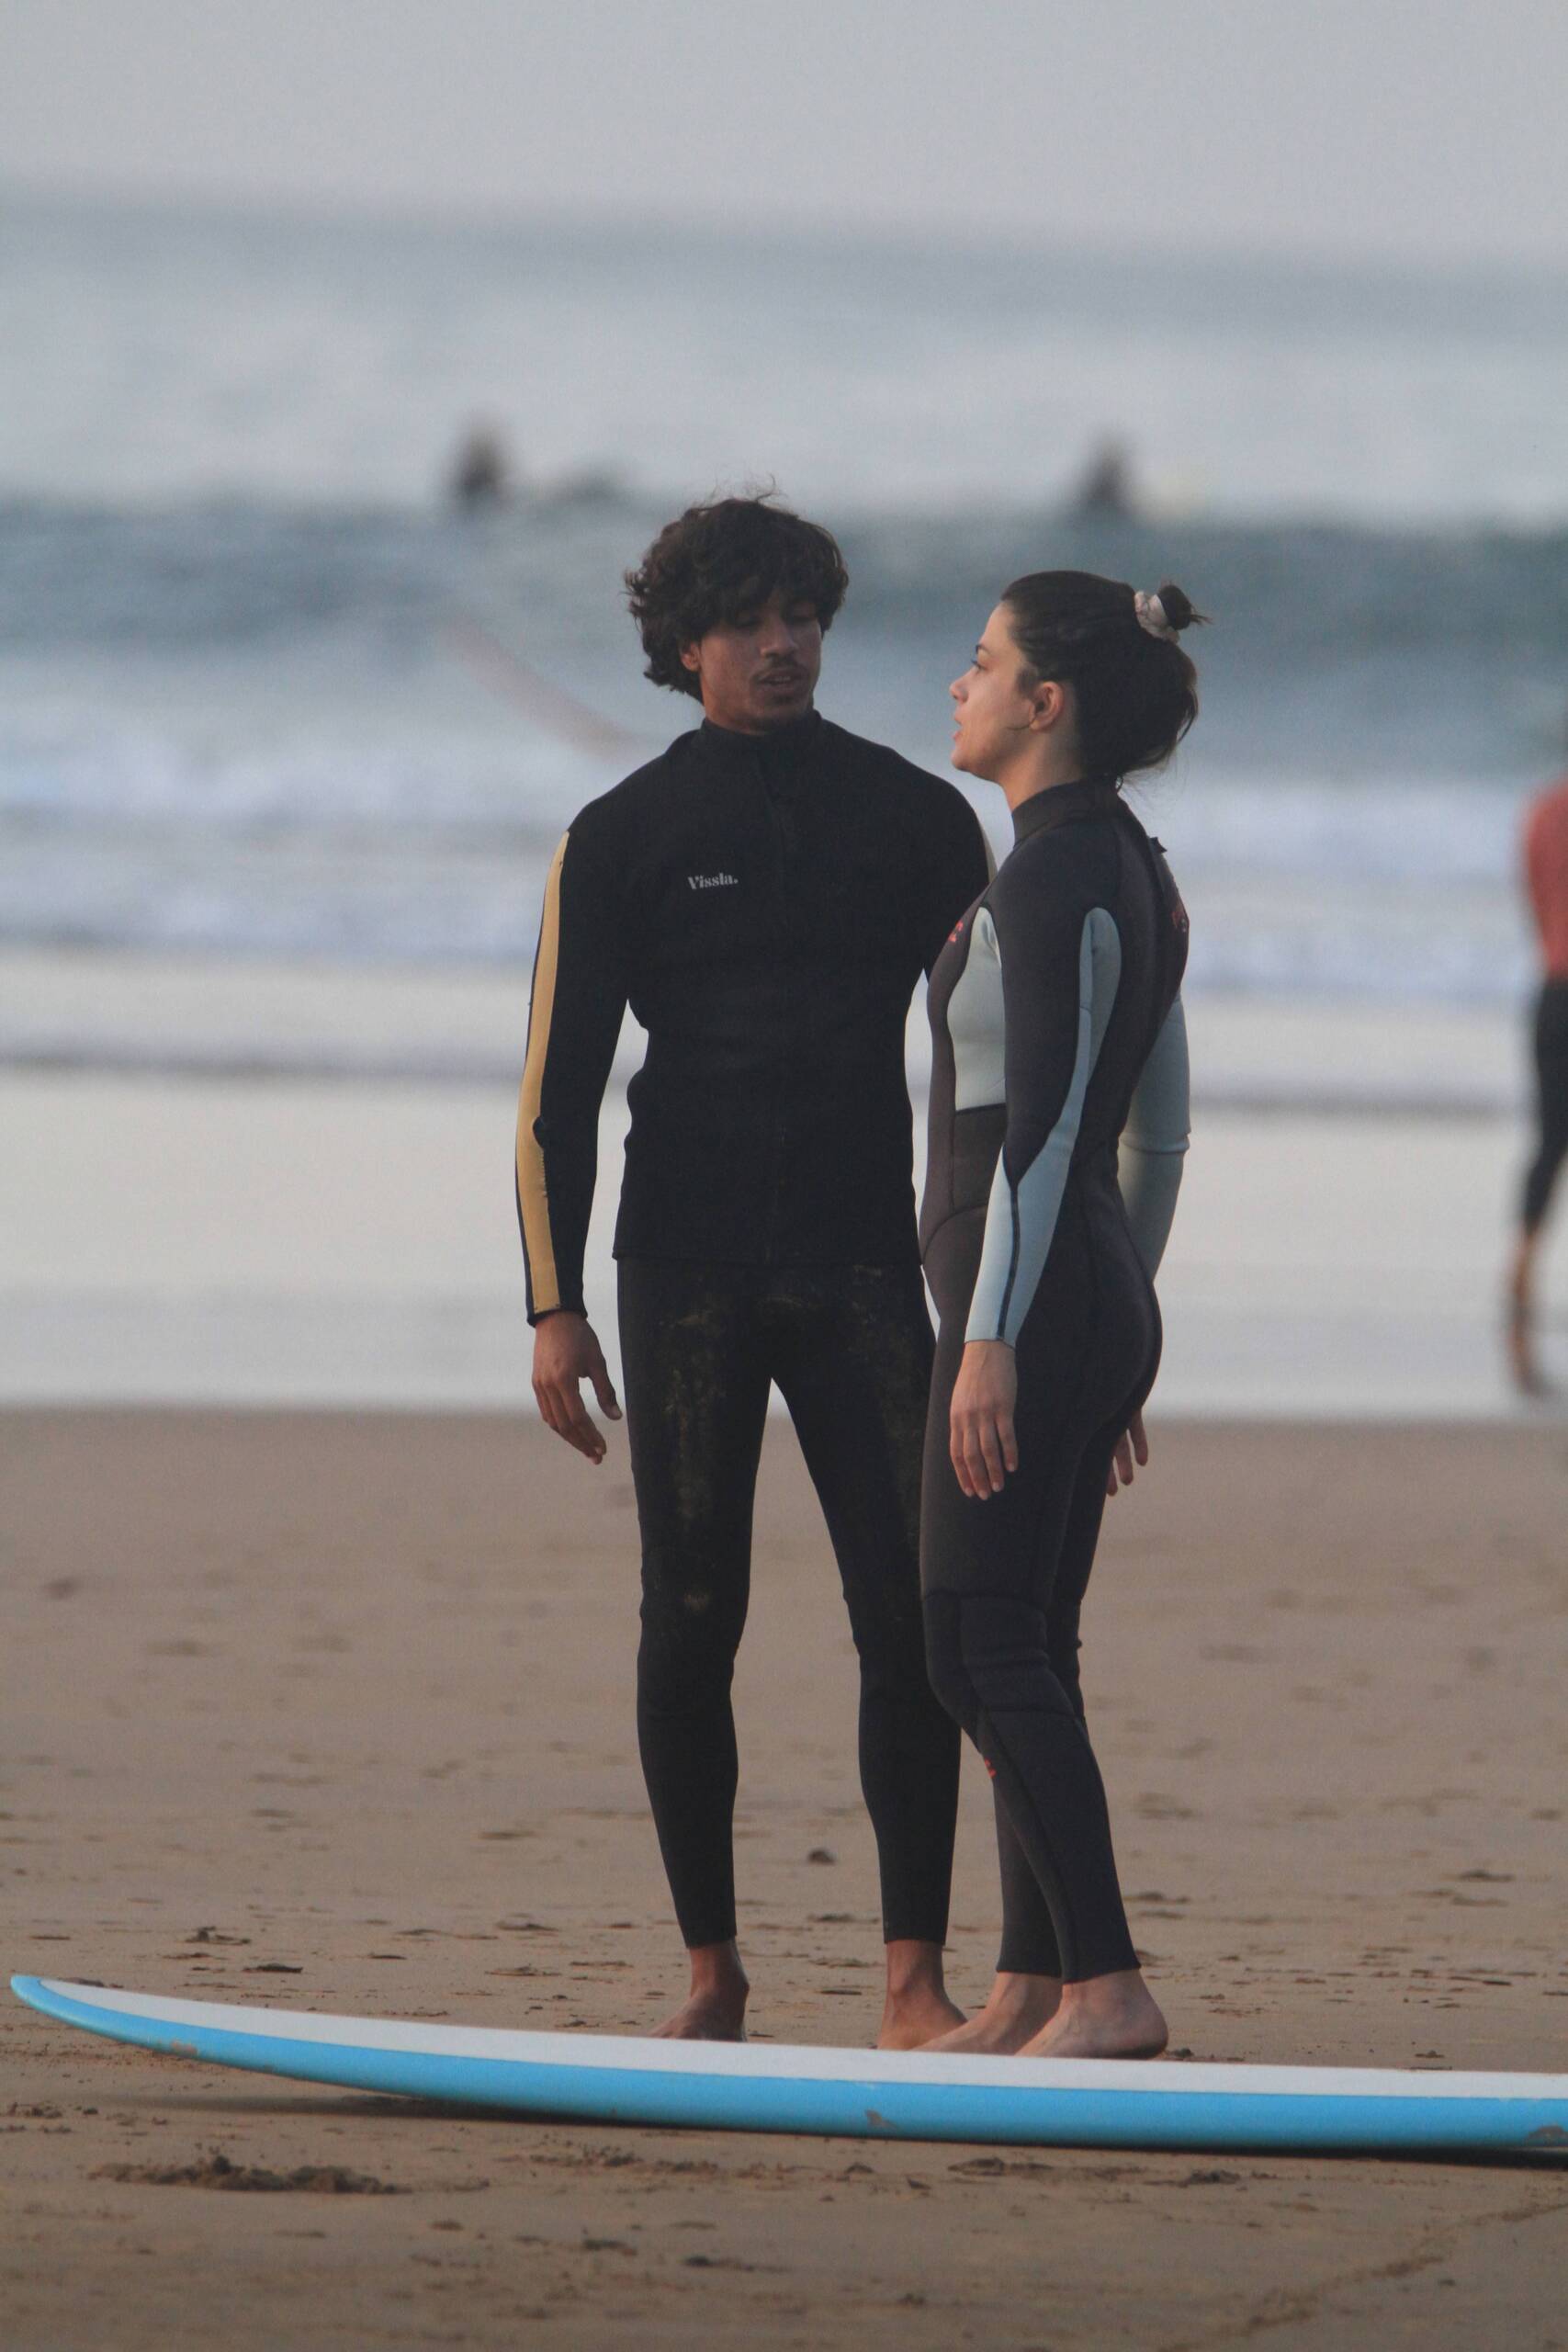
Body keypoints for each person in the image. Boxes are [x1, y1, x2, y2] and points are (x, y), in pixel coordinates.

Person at [515, 495, 992, 2042]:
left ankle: (911, 1980)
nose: (781, 647)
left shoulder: (919, 822)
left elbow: (996, 1061)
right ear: (682, 645)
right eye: (745, 623)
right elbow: (554, 1089)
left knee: (906, 1616)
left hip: (861, 1261)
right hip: (686, 1265)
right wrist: (551, 1304)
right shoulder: (622, 836)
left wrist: (1003, 1280)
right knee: (689, 1612)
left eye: (802, 619)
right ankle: (711, 1973)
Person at [918, 571, 1201, 2061]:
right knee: (1025, 1638)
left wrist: (996, 1341)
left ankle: (1105, 1987)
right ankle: (1031, 1984)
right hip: (1076, 1297)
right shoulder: (1126, 868)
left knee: (970, 1643)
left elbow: (1038, 1136)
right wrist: (1112, 1330)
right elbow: (1158, 1134)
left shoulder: (1054, 879)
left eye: (979, 664)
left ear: (1045, 702)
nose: (954, 686)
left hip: (1028, 1302)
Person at [1506, 766, 1568, 1394]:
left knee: (1549, 1148)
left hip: (1553, 992)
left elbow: (1537, 907)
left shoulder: (1542, 814)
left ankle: (1519, 1296)